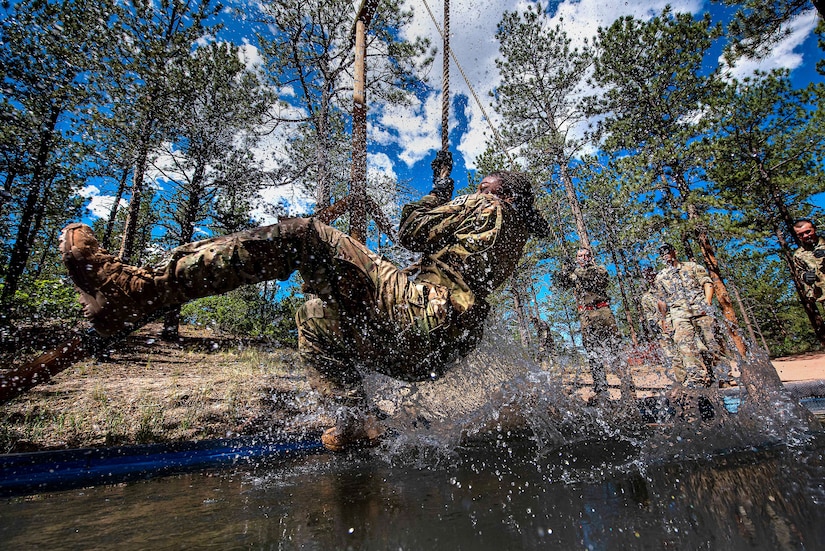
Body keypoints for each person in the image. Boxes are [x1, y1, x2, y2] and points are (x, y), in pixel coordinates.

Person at [58, 151, 549, 451]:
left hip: (425, 313)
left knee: (304, 236)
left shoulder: (488, 204)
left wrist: (437, 193)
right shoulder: (513, 238)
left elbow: (411, 229)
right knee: (315, 318)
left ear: (500, 194)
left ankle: (140, 293)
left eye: (484, 185)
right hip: (437, 348)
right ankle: (356, 423)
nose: (476, 190)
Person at [654, 243, 735, 390]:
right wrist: (664, 319)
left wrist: (708, 303)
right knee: (685, 345)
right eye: (662, 253)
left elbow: (707, 283)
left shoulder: (692, 267)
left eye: (667, 251)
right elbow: (661, 299)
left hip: (700, 310)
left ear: (674, 251)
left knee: (712, 344)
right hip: (679, 315)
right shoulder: (661, 277)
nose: (665, 254)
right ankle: (697, 378)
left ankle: (724, 376)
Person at [553, 248, 627, 402]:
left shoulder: (599, 270)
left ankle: (626, 384)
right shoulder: (575, 274)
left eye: (586, 255)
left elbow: (592, 278)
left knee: (615, 347)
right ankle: (600, 390)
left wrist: (575, 271)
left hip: (603, 311)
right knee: (593, 352)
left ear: (591, 257)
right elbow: (561, 283)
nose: (583, 258)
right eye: (580, 256)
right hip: (586, 314)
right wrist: (565, 270)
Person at [639, 267, 681, 376]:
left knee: (685, 349)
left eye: (651, 274)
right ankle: (680, 378)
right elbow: (648, 313)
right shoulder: (646, 297)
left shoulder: (668, 288)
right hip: (662, 327)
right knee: (670, 354)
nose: (650, 277)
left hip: (677, 321)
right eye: (646, 276)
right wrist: (652, 323)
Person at [792, 219, 825, 304]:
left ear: (814, 229)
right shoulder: (799, 255)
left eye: (808, 232)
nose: (806, 236)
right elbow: (799, 273)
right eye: (801, 235)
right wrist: (805, 276)